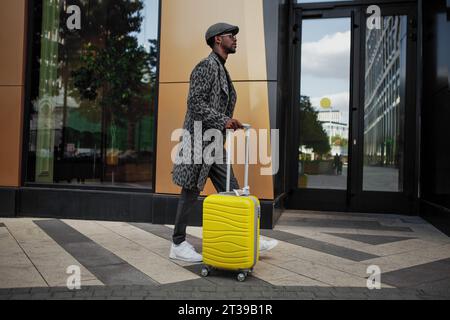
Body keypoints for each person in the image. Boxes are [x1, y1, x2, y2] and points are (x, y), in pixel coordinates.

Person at [170, 22, 278, 262]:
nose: (235, 39)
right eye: (231, 36)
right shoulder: (206, 66)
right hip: (198, 140)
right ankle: (177, 243)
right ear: (218, 39)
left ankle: (249, 238)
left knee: (233, 190)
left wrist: (228, 122)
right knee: (189, 192)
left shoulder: (221, 68)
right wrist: (224, 120)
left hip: (213, 143)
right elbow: (195, 103)